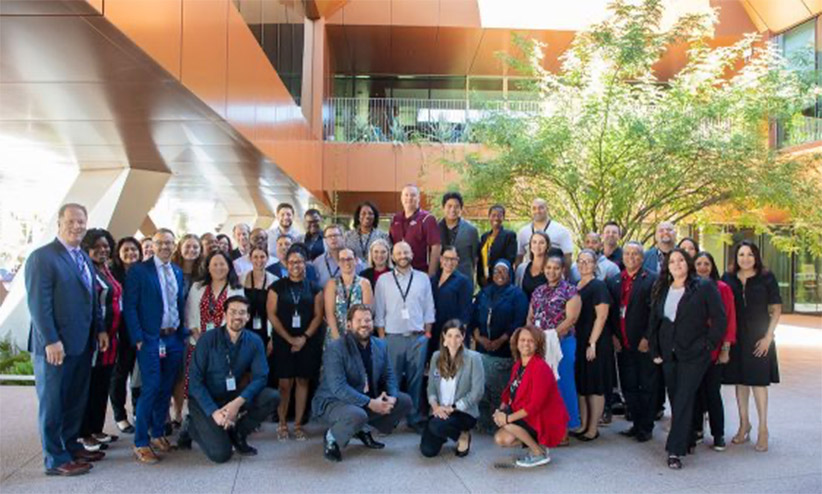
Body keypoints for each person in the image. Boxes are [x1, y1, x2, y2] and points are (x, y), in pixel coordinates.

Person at [26, 203, 106, 476]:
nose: (76, 226)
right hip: (55, 347)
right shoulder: (42, 258)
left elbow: (92, 298)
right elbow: (39, 304)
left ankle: (70, 447)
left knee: (74, 400)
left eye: (81, 221)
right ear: (59, 223)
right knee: (53, 403)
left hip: (81, 344)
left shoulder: (82, 256)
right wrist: (51, 340)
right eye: (71, 221)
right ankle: (55, 459)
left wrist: (100, 329)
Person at [648, 248, 727, 469]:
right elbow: (655, 321)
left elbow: (720, 318)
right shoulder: (662, 287)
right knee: (676, 398)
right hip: (668, 352)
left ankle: (674, 450)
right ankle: (689, 437)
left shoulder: (703, 286)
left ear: (688, 263)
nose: (676, 264)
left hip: (695, 354)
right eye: (672, 261)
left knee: (683, 397)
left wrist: (709, 344)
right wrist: (654, 349)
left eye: (681, 260)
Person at [178, 295, 279, 462]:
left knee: (272, 397)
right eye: (233, 312)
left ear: (248, 316)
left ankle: (238, 433)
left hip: (231, 396)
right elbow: (194, 382)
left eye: (242, 312)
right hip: (205, 400)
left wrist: (236, 404)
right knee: (221, 455)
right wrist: (214, 412)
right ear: (224, 314)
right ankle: (191, 425)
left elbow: (261, 377)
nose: (237, 316)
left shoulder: (254, 341)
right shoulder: (207, 340)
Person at [312, 304, 412, 462]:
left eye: (367, 320)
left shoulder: (380, 345)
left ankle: (362, 429)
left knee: (404, 401)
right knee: (357, 414)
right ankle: (332, 437)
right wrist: (370, 403)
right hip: (334, 401)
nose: (364, 324)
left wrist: (392, 397)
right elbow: (338, 388)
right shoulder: (335, 348)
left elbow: (389, 376)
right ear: (349, 324)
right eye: (359, 320)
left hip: (364, 398)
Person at [123, 228, 187, 464]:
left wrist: (181, 334)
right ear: (152, 245)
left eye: (169, 243)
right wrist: (138, 337)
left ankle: (158, 433)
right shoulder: (139, 271)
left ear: (174, 246)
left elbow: (178, 304)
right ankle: (141, 442)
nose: (165, 247)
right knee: (150, 387)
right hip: (150, 339)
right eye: (160, 243)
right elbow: (130, 306)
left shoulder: (177, 271)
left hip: (173, 338)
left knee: (166, 387)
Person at [721, 241, 782, 453]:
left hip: (759, 338)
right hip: (736, 337)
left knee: (758, 382)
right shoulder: (728, 278)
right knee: (740, 382)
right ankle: (744, 424)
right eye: (741, 254)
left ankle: (763, 428)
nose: (745, 258)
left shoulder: (766, 277)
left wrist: (768, 337)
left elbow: (776, 309)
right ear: (735, 257)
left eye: (749, 254)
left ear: (756, 256)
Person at [374, 241, 436, 433]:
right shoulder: (383, 280)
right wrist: (382, 339)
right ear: (392, 257)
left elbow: (429, 308)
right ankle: (390, 418)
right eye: (399, 253)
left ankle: (414, 417)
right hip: (392, 338)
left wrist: (427, 335)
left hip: (418, 338)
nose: (403, 256)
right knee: (392, 381)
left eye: (406, 252)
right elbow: (379, 311)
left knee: (415, 380)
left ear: (412, 254)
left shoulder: (423, 278)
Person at [178, 251, 244, 425]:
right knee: (196, 385)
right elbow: (189, 312)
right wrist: (196, 333)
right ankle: (194, 421)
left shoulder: (236, 288)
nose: (218, 268)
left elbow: (237, 317)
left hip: (223, 345)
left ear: (229, 266)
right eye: (214, 264)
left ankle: (222, 420)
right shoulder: (197, 287)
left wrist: (216, 340)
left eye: (222, 264)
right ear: (207, 267)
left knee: (220, 385)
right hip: (198, 343)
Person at [267, 245, 324, 441]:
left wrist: (304, 338)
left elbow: (318, 316)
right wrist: (290, 339)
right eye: (291, 262)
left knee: (302, 381)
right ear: (286, 264)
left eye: (299, 262)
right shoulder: (276, 287)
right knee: (284, 383)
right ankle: (282, 423)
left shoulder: (314, 288)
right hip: (283, 340)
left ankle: (298, 424)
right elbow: (272, 315)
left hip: (307, 341)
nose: (295, 265)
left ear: (305, 264)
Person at [493, 326, 568, 468]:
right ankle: (538, 445)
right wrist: (500, 410)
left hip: (543, 417)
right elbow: (509, 393)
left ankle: (538, 453)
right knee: (501, 438)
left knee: (506, 424)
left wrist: (507, 418)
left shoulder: (540, 368)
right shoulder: (518, 365)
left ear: (537, 344)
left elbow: (535, 405)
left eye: (531, 341)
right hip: (526, 413)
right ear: (516, 343)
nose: (526, 344)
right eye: (522, 340)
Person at [607, 242, 659, 443]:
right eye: (627, 253)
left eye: (635, 254)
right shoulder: (615, 280)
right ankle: (636, 423)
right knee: (628, 386)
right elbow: (611, 312)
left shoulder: (652, 279)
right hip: (623, 343)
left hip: (642, 343)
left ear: (642, 257)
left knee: (646, 386)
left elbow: (655, 313)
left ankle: (646, 427)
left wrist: (647, 337)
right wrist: (613, 336)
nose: (631, 257)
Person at [527, 255, 582, 442]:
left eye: (556, 268)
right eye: (548, 267)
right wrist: (533, 337)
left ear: (563, 270)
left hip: (562, 343)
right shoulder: (538, 291)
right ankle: (543, 427)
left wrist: (550, 336)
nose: (552, 271)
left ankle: (564, 430)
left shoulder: (570, 291)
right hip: (539, 344)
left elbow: (571, 318)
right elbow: (530, 316)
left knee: (563, 385)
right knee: (542, 386)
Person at [471, 259, 528, 432]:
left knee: (499, 390)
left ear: (510, 274)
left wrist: (501, 340)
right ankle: (483, 422)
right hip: (482, 349)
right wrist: (479, 338)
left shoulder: (517, 295)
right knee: (482, 388)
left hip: (504, 351)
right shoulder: (484, 293)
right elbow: (473, 316)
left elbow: (519, 321)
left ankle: (499, 424)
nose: (500, 275)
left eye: (504, 271)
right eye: (496, 271)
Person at [78, 229, 122, 451]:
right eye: (96, 247)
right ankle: (83, 433)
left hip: (111, 339)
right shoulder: (85, 270)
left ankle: (96, 428)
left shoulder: (106, 269)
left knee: (102, 385)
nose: (102, 250)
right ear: (87, 248)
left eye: (106, 246)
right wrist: (100, 329)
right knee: (89, 386)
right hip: (95, 337)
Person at [420, 320, 485, 458]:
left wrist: (453, 408)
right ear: (444, 336)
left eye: (457, 336)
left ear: (463, 337)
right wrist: (436, 407)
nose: (453, 340)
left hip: (463, 412)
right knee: (427, 451)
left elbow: (477, 392)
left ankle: (463, 435)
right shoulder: (436, 357)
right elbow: (431, 388)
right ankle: (444, 431)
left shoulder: (474, 358)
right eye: (449, 335)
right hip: (440, 411)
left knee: (436, 426)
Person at [693, 251, 737, 451]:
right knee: (694, 392)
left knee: (712, 393)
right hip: (693, 350)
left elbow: (729, 320)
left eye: (706, 264)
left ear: (712, 267)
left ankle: (718, 434)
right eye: (699, 264)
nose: (702, 268)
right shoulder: (689, 287)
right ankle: (696, 429)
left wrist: (725, 348)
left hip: (715, 350)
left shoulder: (722, 288)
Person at [573, 249, 613, 441]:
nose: (584, 265)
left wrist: (593, 343)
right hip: (579, 341)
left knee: (595, 385)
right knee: (582, 385)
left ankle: (592, 428)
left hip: (595, 342)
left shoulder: (599, 286)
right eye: (580, 261)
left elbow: (602, 316)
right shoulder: (576, 285)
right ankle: (583, 424)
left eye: (588, 261)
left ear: (595, 264)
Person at [110, 236, 142, 434]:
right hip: (119, 331)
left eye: (134, 249)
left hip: (140, 330)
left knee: (139, 374)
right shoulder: (113, 275)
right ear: (119, 254)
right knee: (120, 374)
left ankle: (138, 411)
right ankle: (120, 415)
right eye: (126, 250)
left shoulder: (143, 272)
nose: (131, 253)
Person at [429, 246, 472, 363]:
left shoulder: (464, 282)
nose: (449, 262)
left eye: (453, 259)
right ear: (441, 259)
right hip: (433, 329)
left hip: (451, 331)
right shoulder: (432, 279)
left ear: (457, 261)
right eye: (446, 258)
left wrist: (459, 335)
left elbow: (466, 311)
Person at [388, 184, 441, 277]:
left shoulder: (427, 219)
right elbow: (390, 245)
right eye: (406, 195)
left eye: (413, 195)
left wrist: (431, 275)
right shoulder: (395, 219)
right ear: (401, 198)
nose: (409, 198)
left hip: (420, 273)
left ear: (419, 198)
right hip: (398, 273)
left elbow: (436, 247)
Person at [324, 248, 372, 342]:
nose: (346, 262)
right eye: (342, 259)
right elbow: (329, 314)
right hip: (335, 334)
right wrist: (337, 339)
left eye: (349, 259)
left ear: (356, 261)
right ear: (338, 262)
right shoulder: (332, 284)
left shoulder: (364, 283)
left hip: (358, 335)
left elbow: (367, 313)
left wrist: (358, 338)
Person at [515, 198, 574, 268]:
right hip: (530, 272)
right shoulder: (523, 232)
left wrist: (565, 274)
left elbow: (567, 257)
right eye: (534, 208)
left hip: (553, 272)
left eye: (541, 208)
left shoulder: (561, 230)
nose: (537, 211)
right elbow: (518, 258)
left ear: (547, 209)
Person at [438, 192, 479, 287]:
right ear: (443, 208)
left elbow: (474, 257)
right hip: (440, 280)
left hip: (464, 279)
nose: (453, 210)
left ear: (461, 209)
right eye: (449, 206)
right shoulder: (435, 228)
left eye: (456, 206)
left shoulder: (471, 230)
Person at [240, 246, 278, 347]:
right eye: (255, 257)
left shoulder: (275, 280)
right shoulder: (241, 279)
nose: (259, 260)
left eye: (262, 257)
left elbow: (277, 311)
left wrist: (273, 337)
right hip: (245, 327)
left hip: (265, 328)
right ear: (250, 259)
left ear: (267, 258)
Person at [477, 204, 518, 288]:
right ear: (489, 217)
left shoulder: (509, 236)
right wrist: (481, 276)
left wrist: (498, 274)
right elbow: (481, 258)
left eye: (499, 216)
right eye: (493, 215)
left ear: (503, 218)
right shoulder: (484, 237)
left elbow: (510, 259)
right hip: (485, 279)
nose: (496, 218)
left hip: (501, 278)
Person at [515, 231, 562, 301]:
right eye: (534, 242)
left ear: (547, 246)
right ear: (530, 246)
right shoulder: (521, 269)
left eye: (541, 243)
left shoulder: (553, 269)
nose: (537, 245)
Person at [171, 233, 202, 298]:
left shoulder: (203, 273)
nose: (191, 250)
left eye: (195, 247)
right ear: (180, 248)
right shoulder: (171, 270)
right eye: (187, 246)